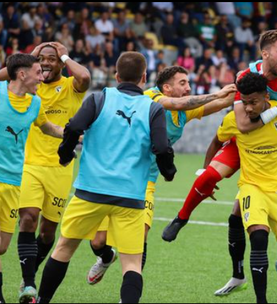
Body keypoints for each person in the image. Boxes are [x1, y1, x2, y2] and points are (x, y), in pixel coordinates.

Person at [163, 8, 277, 296]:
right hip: (244, 142)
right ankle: (181, 218)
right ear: (265, 54)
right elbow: (242, 124)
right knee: (210, 181)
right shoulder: (246, 76)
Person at [36, 52, 177, 304]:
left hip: (90, 191)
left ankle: (42, 300)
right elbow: (162, 147)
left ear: (116, 74)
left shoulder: (99, 99)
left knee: (64, 248)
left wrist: (65, 153)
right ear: (144, 77)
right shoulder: (153, 108)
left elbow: (73, 128)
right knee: (132, 263)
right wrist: (168, 171)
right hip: (131, 197)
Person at [86, 66, 236, 284]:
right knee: (98, 243)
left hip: (144, 182)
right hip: (114, 176)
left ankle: (129, 294)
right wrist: (217, 93)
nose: (188, 87)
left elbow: (221, 103)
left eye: (188, 82)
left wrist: (247, 84)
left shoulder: (184, 112)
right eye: (182, 83)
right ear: (166, 87)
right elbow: (179, 102)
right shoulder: (149, 97)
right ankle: (106, 257)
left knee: (140, 234)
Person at [0, 42, 91, 303]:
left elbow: (83, 77)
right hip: (27, 166)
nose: (46, 64)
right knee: (28, 218)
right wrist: (28, 59)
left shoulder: (68, 88)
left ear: (62, 63)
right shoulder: (27, 90)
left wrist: (77, 136)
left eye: (52, 59)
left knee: (48, 231)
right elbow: (14, 69)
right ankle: (29, 283)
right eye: (41, 60)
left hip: (60, 169)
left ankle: (31, 272)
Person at [215, 72, 277, 303]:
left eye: (253, 102)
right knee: (258, 239)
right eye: (244, 102)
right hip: (252, 187)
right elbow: (216, 141)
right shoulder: (235, 119)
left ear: (266, 96)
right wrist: (206, 174)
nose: (248, 108)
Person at [0, 53, 66, 304]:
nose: (43, 76)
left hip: (13, 179)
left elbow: (48, 127)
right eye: (38, 72)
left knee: (2, 246)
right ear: (22, 74)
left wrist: (73, 133)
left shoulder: (35, 103)